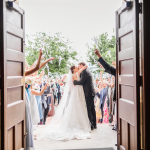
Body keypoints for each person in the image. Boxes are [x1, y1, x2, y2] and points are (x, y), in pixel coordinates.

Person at [36, 64, 91, 141]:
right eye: (76, 67)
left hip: (76, 91)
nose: (78, 68)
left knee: (77, 106)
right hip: (78, 91)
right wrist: (85, 66)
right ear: (74, 70)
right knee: (79, 106)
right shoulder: (76, 73)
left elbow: (72, 86)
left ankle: (76, 123)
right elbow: (82, 70)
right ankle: (81, 125)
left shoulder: (72, 76)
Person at [73, 62, 96, 130]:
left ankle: (91, 125)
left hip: (88, 93)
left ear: (82, 65)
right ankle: (94, 124)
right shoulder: (86, 71)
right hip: (90, 93)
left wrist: (74, 82)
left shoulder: (84, 72)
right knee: (92, 109)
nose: (78, 66)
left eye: (79, 65)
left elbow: (81, 82)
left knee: (88, 109)